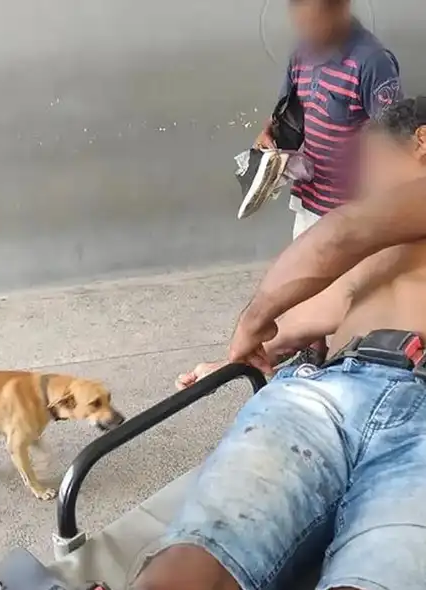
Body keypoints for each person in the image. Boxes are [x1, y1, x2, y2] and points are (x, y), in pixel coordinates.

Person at [134, 97, 426, 590]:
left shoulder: (372, 224)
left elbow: (340, 234)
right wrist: (243, 358)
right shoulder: (383, 251)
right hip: (328, 389)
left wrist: (252, 321)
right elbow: (319, 310)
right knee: (196, 556)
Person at [254, 0, 402, 367]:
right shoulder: (301, 55)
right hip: (309, 197)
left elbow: (392, 139)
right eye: (298, 10)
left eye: (315, 11)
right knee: (305, 283)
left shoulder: (372, 62)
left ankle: (346, 360)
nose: (304, 20)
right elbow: (287, 112)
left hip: (350, 209)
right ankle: (312, 350)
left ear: (340, 7)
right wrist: (268, 136)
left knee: (346, 294)